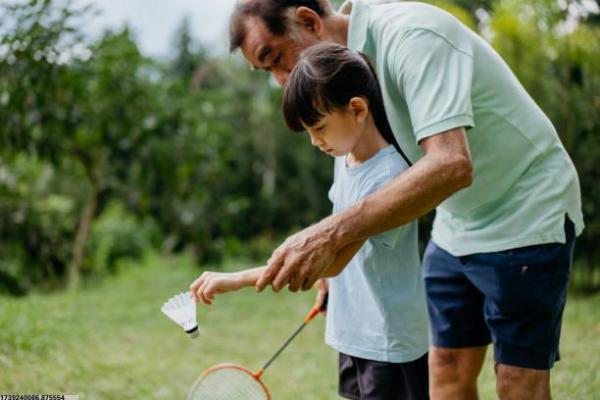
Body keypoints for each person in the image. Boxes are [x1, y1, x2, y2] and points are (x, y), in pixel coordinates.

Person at [226, 1, 584, 399]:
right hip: (457, 221)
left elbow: (451, 165)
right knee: (444, 368)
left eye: (275, 58)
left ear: (307, 20)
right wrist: (334, 261)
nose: (279, 79)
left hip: (524, 207)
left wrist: (328, 236)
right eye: (267, 71)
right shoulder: (344, 78)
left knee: (516, 380)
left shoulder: (409, 36)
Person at [191, 42, 430, 400]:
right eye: (308, 132)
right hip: (355, 336)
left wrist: (234, 279)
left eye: (319, 127)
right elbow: (338, 235)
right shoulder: (345, 158)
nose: (315, 141)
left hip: (387, 344)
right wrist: (332, 287)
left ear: (357, 109)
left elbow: (331, 260)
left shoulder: (390, 176)